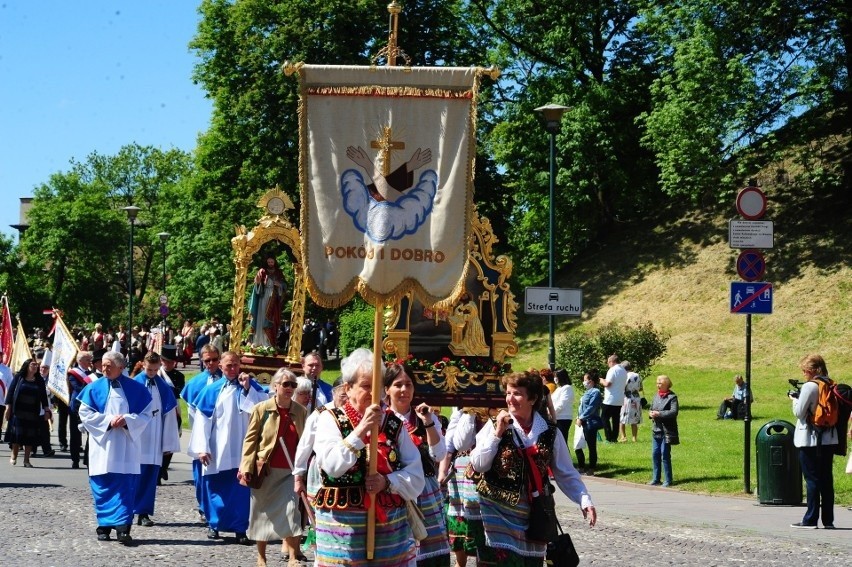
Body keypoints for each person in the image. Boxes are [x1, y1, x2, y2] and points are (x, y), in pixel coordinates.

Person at [312, 348, 425, 567]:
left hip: (389, 532)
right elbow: (332, 465)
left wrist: (388, 481)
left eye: (377, 388)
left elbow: (416, 476)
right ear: (348, 388)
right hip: (342, 530)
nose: (373, 395)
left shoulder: (393, 424)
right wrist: (361, 430)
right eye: (365, 386)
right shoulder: (329, 419)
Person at [470, 371, 596, 566]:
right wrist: (497, 434)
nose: (510, 399)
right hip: (497, 510)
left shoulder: (549, 432)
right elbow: (479, 464)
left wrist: (584, 499)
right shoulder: (494, 425)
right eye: (508, 393)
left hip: (533, 513)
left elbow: (565, 472)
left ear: (533, 398)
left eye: (517, 393)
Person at [188, 350, 266, 543]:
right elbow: (202, 420)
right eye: (228, 365)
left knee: (240, 489)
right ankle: (214, 524)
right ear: (221, 367)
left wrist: (248, 389)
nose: (232, 369)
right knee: (215, 486)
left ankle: (240, 528)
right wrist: (202, 447)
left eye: (236, 365)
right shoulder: (212, 390)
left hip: (242, 446)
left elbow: (261, 409)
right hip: (218, 446)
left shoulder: (250, 387)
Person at [77, 351, 153, 544]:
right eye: (103, 365)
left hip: (127, 446)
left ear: (121, 367)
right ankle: (104, 525)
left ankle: (122, 528)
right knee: (103, 485)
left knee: (125, 487)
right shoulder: (93, 388)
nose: (104, 368)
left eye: (109, 365)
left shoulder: (136, 389)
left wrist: (127, 420)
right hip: (102, 446)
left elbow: (146, 415)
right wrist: (109, 421)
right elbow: (84, 413)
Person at [239, 368, 308, 567]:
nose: (290, 388)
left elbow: (304, 442)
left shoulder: (300, 411)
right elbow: (250, 441)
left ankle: (293, 557)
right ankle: (261, 556)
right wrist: (246, 466)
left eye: (293, 385)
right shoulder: (261, 409)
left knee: (292, 512)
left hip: (290, 472)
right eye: (286, 384)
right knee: (262, 513)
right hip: (265, 470)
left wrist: (304, 469)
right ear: (275, 386)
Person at [384, 362, 451, 566]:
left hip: (425, 491)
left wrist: (428, 422)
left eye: (409, 384)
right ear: (387, 389)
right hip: (393, 491)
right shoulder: (382, 419)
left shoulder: (424, 417)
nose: (404, 390)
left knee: (430, 549)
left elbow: (439, 455)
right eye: (398, 385)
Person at [132, 352, 180, 527]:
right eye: (149, 369)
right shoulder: (135, 383)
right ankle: (130, 509)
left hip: (154, 437)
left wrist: (168, 442)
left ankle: (143, 512)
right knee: (134, 475)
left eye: (155, 369)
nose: (151, 372)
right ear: (143, 365)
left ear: (159, 366)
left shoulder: (163, 386)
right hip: (138, 436)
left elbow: (169, 414)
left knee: (150, 477)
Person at [790, 354, 837, 529]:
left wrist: (794, 399)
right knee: (826, 479)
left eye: (804, 371)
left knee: (812, 480)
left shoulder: (810, 386)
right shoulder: (830, 384)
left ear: (811, 370)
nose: (804, 374)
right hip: (829, 438)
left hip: (810, 440)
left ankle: (810, 519)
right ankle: (828, 520)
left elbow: (799, 413)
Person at [181, 343, 222, 521]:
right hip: (202, 436)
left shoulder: (228, 380)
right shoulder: (195, 383)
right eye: (207, 360)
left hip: (223, 436)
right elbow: (192, 415)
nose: (211, 363)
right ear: (202, 361)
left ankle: (218, 509)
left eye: (214, 359)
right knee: (201, 476)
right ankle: (204, 506)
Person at [4, 359, 52, 467]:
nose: (35, 366)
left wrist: (46, 410)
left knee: (30, 437)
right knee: (17, 435)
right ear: (27, 366)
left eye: (36, 365)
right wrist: (8, 407)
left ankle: (26, 460)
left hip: (32, 412)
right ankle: (14, 455)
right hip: (18, 411)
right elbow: (10, 392)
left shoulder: (39, 380)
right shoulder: (19, 377)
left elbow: (44, 397)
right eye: (33, 364)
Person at [158, 345, 185, 482]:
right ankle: (158, 471)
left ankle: (164, 467)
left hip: (173, 408)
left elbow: (179, 392)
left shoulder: (178, 376)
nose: (167, 364)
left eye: (170, 362)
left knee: (172, 439)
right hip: (159, 409)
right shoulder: (157, 374)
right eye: (165, 361)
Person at [649, 375, 679, 487]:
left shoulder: (672, 397)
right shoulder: (656, 396)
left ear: (666, 384)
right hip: (656, 429)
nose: (657, 385)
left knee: (665, 455)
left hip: (666, 431)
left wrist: (659, 414)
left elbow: (674, 412)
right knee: (655, 454)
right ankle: (656, 478)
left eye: (660, 383)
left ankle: (668, 479)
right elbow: (651, 408)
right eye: (657, 383)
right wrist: (650, 413)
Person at [249, 257, 286, 347]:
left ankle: (268, 342)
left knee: (271, 319)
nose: (270, 263)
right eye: (268, 261)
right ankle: (258, 341)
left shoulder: (279, 272)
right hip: (263, 296)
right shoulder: (262, 271)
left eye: (272, 261)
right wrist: (257, 283)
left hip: (273, 298)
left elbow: (284, 285)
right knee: (261, 317)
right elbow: (257, 285)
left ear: (274, 262)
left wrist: (280, 285)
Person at [575, 371, 603, 475]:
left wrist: (581, 417)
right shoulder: (587, 392)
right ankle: (581, 466)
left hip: (590, 422)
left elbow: (591, 407)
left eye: (585, 380)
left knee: (591, 446)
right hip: (582, 422)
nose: (584, 382)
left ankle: (592, 467)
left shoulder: (595, 392)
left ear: (590, 381)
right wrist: (578, 417)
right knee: (578, 444)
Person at [600, 354, 627, 443]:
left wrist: (601, 380)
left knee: (604, 418)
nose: (608, 364)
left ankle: (608, 437)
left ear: (612, 362)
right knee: (616, 419)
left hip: (610, 399)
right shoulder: (623, 370)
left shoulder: (612, 370)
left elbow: (608, 384)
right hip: (619, 399)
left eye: (608, 362)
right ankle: (614, 438)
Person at [619, 361, 643, 442]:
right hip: (636, 398)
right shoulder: (637, 375)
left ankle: (623, 437)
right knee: (634, 418)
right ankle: (634, 438)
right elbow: (640, 388)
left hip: (626, 398)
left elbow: (622, 387)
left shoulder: (624, 376)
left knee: (622, 418)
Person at [551, 368, 574, 443]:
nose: (555, 378)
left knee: (562, 441)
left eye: (556, 376)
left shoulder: (567, 388)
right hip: (556, 417)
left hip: (563, 418)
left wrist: (552, 412)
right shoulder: (558, 389)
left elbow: (562, 404)